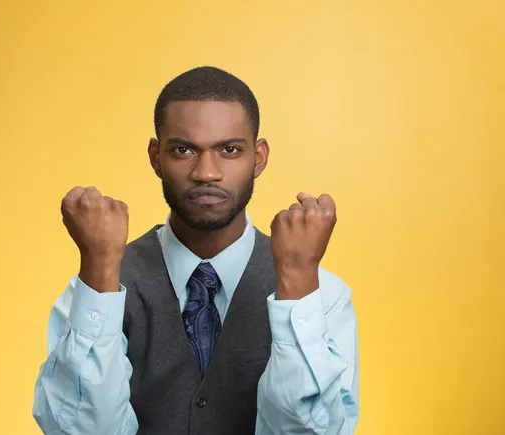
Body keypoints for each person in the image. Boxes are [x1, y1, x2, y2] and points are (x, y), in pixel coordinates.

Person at [32, 66, 359, 435]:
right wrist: (99, 266)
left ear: (259, 157)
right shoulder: (91, 293)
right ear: (156, 157)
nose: (206, 173)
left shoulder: (322, 297)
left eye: (230, 149)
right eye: (183, 150)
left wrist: (297, 283)